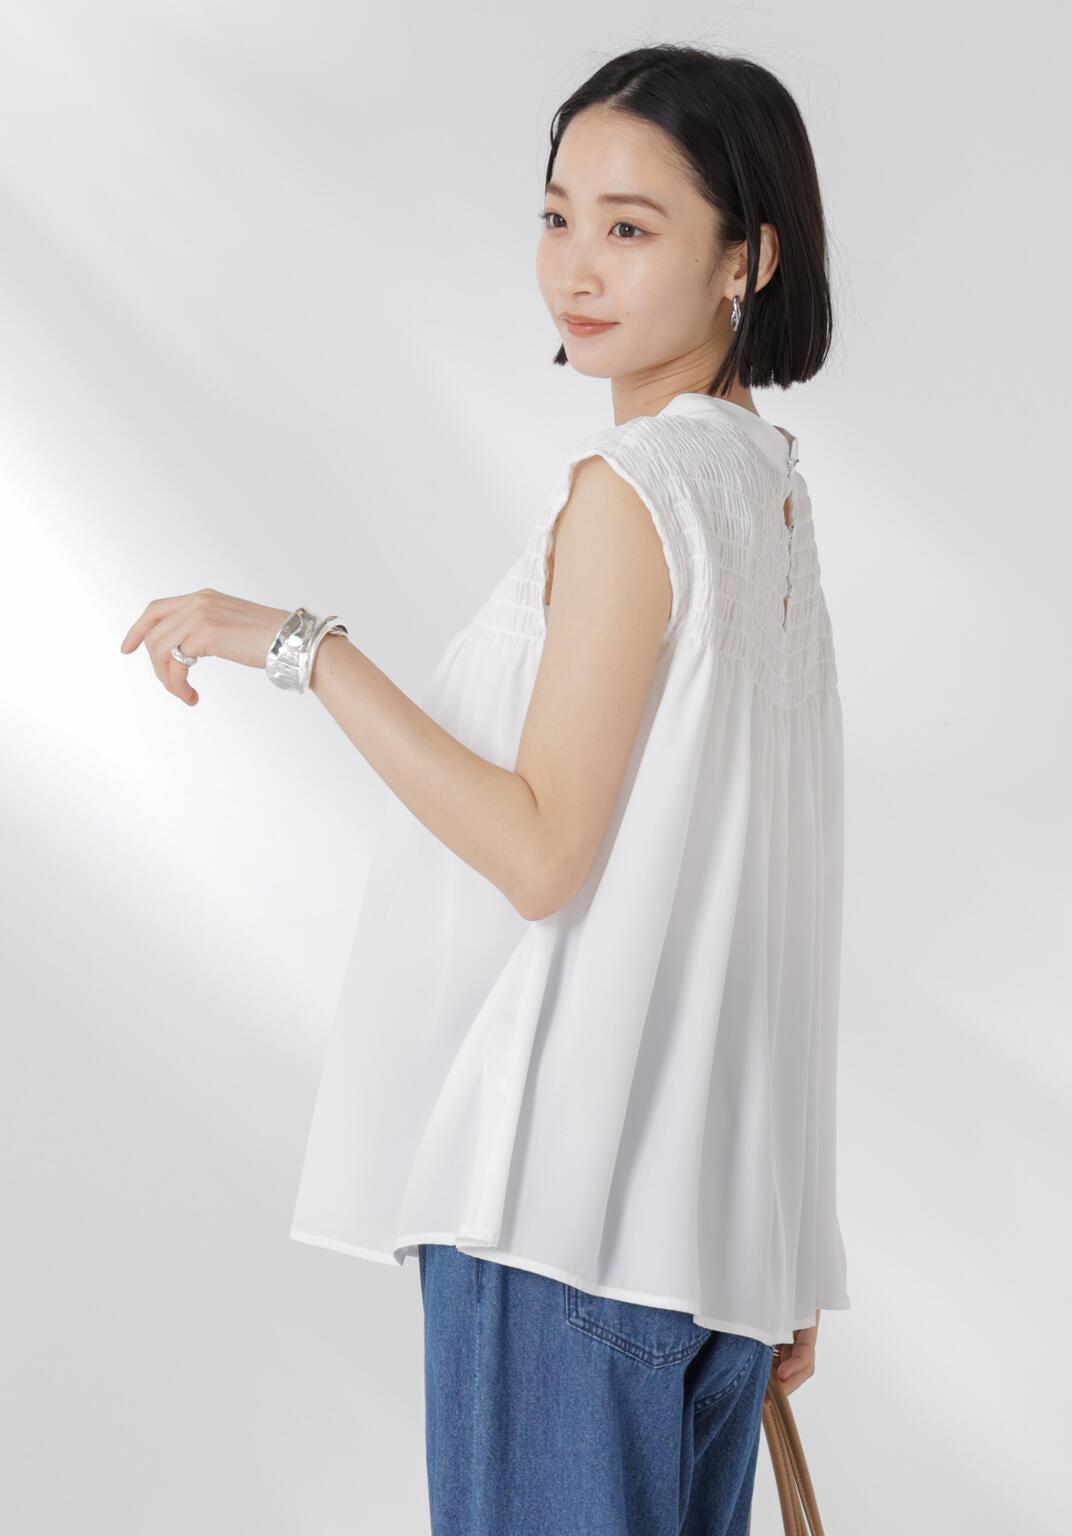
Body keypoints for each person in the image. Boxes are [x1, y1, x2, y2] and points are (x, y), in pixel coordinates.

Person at [121, 40, 848, 1536]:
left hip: (561, 1227)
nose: (576, 266)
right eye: (558, 215)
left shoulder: (638, 493)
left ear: (749, 259)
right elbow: (778, 901)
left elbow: (539, 855)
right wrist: (776, 1231)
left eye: (631, 226)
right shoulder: (769, 493)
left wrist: (303, 648)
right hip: (703, 1250)